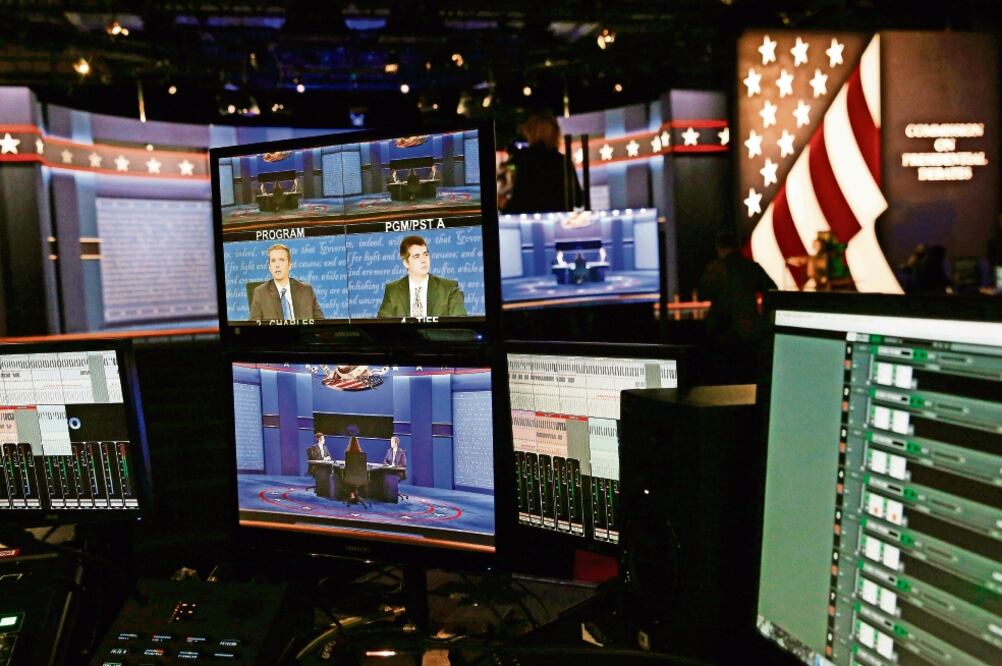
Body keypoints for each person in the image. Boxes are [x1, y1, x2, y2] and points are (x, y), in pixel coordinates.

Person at [698, 230, 776, 383]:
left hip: (721, 334)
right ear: (737, 247)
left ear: (719, 248)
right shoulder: (751, 267)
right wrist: (762, 317)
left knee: (724, 379)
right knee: (748, 378)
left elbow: (702, 295)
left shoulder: (713, 269)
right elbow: (773, 290)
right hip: (749, 332)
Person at [503, 109, 582, 213]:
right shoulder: (563, 161)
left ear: (532, 132)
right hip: (560, 224)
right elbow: (578, 200)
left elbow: (520, 203)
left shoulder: (527, 161)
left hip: (533, 225)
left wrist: (503, 205)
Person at [377, 235, 467, 318]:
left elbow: (460, 328)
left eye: (426, 254)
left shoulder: (449, 288)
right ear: (405, 263)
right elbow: (381, 326)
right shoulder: (393, 290)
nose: (423, 260)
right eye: (417, 256)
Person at [248, 243, 325, 321]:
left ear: (289, 265)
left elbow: (321, 325)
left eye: (281, 260)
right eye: (273, 261)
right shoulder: (260, 293)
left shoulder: (307, 290)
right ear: (270, 267)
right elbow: (253, 328)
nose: (277, 265)